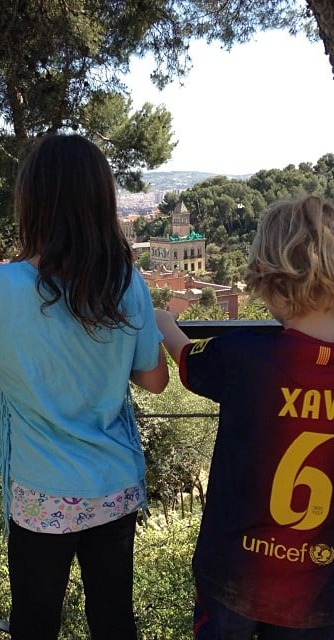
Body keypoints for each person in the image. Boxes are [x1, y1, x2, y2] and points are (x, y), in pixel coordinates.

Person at [0, 133, 168, 639]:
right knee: (113, 622)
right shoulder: (127, 283)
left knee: (35, 622)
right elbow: (154, 381)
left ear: (31, 204)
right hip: (113, 485)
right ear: (102, 202)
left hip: (40, 493)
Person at [155, 195, 334, 639]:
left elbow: (186, 360)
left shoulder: (243, 355)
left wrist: (163, 322)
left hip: (233, 574)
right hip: (320, 591)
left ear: (267, 282)